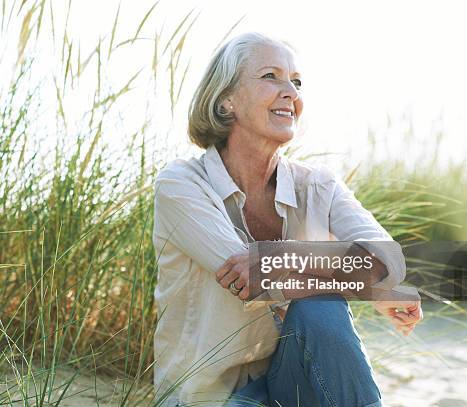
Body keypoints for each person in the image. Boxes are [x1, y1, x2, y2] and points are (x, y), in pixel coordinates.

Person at [152, 32, 423, 407]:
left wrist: (284, 254)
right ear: (226, 100)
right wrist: (362, 283)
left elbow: (386, 261)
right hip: (208, 396)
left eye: (296, 82)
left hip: (289, 383)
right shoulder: (180, 185)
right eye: (271, 77)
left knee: (320, 309)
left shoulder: (318, 185)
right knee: (322, 299)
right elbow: (250, 279)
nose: (291, 92)